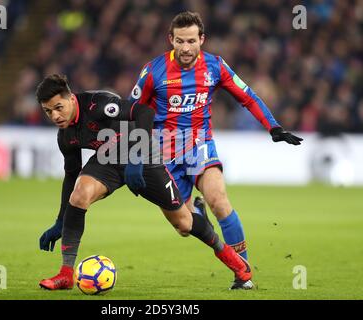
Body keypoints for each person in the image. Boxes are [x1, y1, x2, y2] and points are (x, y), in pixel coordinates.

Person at [36, 74, 253, 291]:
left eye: (58, 107)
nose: (55, 116)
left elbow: (144, 112)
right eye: (48, 111)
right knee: (79, 194)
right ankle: (66, 274)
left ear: (71, 98)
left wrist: (136, 159)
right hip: (107, 159)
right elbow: (71, 175)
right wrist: (60, 220)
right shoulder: (65, 136)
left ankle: (235, 263)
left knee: (184, 224)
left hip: (143, 155)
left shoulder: (98, 105)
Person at [129, 11, 302, 264]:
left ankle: (242, 271)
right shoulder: (153, 71)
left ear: (202, 39)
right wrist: (133, 155)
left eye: (191, 41)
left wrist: (273, 127)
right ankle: (196, 211)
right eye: (180, 41)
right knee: (184, 227)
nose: (185, 48)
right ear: (171, 40)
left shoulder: (215, 66)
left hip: (200, 144)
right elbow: (131, 113)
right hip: (163, 152)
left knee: (219, 200)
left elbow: (248, 96)